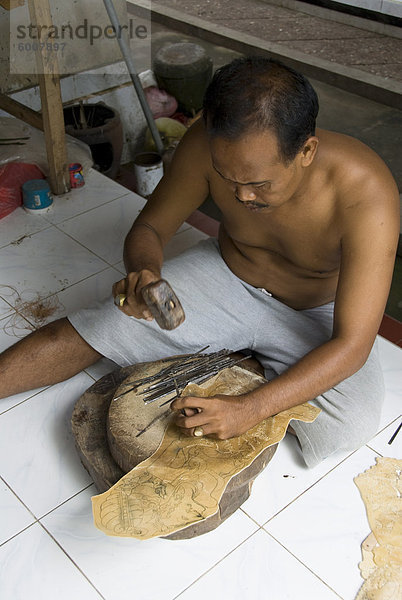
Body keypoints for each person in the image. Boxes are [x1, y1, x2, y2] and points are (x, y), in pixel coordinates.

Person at [0, 57, 398, 467]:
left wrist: (251, 407)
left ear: (307, 151)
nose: (243, 197)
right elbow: (150, 229)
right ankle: (240, 359)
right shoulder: (204, 146)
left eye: (259, 184)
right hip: (231, 273)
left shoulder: (366, 193)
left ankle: (246, 367)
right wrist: (144, 273)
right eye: (229, 180)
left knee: (351, 423)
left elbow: (352, 345)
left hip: (316, 310)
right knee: (104, 323)